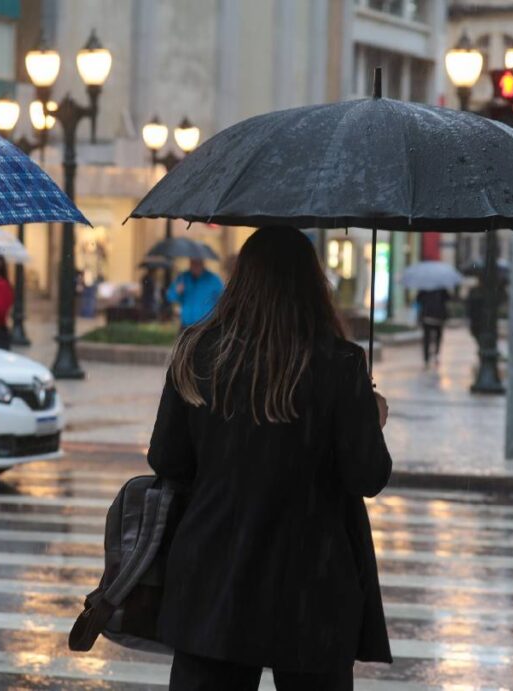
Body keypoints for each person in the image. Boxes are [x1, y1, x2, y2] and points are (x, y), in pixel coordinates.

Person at [148, 227, 393, 691]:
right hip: (310, 586)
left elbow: (167, 460)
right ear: (312, 285)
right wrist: (370, 418)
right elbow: (367, 476)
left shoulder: (197, 353)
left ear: (240, 279)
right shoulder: (339, 364)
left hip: (214, 577)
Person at [166, 257, 224, 329]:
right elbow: (170, 297)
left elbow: (223, 298)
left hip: (206, 325)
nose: (195, 266)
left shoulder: (213, 279)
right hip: (186, 325)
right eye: (193, 263)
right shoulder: (183, 277)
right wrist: (177, 291)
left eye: (197, 263)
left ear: (203, 264)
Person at [416, 288, 449, 368]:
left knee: (426, 339)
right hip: (438, 317)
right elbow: (448, 298)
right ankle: (436, 355)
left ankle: (426, 358)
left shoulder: (424, 288)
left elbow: (418, 300)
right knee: (438, 338)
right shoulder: (441, 288)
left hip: (427, 317)